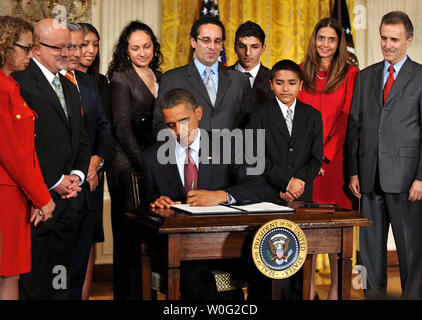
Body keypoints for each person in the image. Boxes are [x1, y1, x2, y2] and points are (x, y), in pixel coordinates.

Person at [142, 88, 272, 299]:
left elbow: (259, 186)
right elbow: (147, 202)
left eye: (184, 121)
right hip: (182, 253)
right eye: (171, 125)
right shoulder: (152, 157)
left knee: (275, 268)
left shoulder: (228, 145)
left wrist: (221, 195)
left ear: (199, 113)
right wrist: (156, 202)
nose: (178, 131)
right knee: (196, 279)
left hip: (228, 246)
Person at [13, 18, 91, 300]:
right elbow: (23, 146)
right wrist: (54, 180)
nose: (67, 54)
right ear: (36, 48)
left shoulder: (69, 86)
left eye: (69, 47)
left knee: (61, 277)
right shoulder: (19, 82)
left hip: (68, 199)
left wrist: (77, 177)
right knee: (34, 281)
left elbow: (81, 139)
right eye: (59, 48)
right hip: (34, 201)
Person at [346, 11, 422, 300]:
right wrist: (353, 171)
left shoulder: (421, 77)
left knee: (411, 250)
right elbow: (355, 125)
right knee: (368, 250)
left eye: (394, 39)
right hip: (368, 178)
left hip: (408, 182)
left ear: (408, 41)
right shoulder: (365, 77)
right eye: (383, 38)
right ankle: (372, 295)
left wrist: (421, 178)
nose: (387, 44)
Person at [248, 59, 323, 299]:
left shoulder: (312, 115)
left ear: (301, 85)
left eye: (291, 83)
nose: (285, 88)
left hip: (301, 199)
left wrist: (297, 184)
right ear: (271, 84)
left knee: (297, 256)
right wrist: (285, 182)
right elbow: (256, 158)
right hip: (270, 195)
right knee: (269, 258)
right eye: (279, 83)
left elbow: (315, 158)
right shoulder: (258, 115)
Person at [297, 17, 359, 300]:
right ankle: (307, 289)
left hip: (335, 165)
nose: (325, 44)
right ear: (314, 40)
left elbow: (346, 117)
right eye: (320, 38)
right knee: (306, 231)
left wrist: (324, 156)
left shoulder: (350, 74)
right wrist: (310, 159)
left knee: (335, 232)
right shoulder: (299, 71)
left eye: (331, 39)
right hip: (304, 163)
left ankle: (336, 291)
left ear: (339, 43)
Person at [0, 15, 55, 300]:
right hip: (5, 196)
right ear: (6, 47)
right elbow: (12, 153)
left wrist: (35, 197)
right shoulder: (1, 88)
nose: (31, 54)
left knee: (12, 273)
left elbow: (25, 150)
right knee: (8, 275)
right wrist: (42, 197)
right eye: (26, 47)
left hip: (16, 194)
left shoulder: (11, 86)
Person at [107, 20, 162, 300]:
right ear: (126, 50)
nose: (142, 52)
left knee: (149, 238)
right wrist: (145, 166)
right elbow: (121, 127)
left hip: (149, 165)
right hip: (127, 167)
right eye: (135, 48)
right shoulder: (120, 77)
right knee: (130, 239)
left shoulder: (158, 74)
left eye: (147, 46)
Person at [62, 22, 110, 300]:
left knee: (79, 265)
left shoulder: (90, 83)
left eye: (82, 45)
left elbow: (104, 128)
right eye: (75, 45)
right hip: (59, 190)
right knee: (57, 269)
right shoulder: (45, 83)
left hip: (89, 188)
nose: (80, 52)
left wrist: (96, 162)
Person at [153, 16, 252, 135]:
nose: (212, 46)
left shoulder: (240, 80)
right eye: (206, 40)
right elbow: (159, 123)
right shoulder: (172, 79)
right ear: (193, 42)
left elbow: (248, 125)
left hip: (229, 152)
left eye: (217, 41)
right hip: (188, 152)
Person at [77, 22, 110, 300]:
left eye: (95, 44)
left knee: (88, 238)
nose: (90, 50)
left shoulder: (100, 82)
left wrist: (96, 164)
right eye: (84, 43)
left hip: (95, 175)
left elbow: (106, 129)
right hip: (65, 176)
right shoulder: (58, 80)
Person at [230, 21, 273, 107]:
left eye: (254, 47)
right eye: (242, 46)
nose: (248, 53)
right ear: (235, 47)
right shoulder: (220, 77)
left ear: (263, 49)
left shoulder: (273, 79)